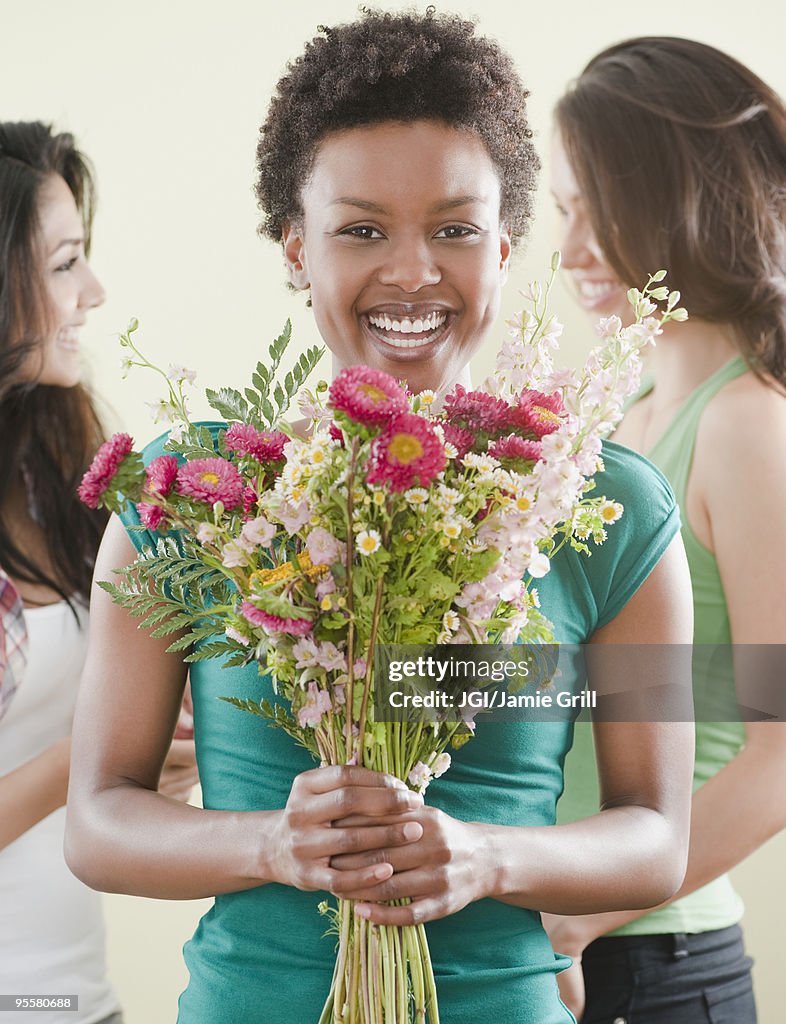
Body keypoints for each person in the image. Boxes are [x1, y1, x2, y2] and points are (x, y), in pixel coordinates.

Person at [65, 13, 695, 1024]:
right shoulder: (191, 493)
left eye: (454, 228)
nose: (412, 274)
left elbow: (657, 835)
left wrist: (487, 858)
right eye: (362, 230)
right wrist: (272, 843)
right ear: (295, 246)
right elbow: (97, 822)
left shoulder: (610, 503)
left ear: (505, 243)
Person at [547, 36, 786, 1024]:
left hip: (650, 961)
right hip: (559, 940)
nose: (569, 251)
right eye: (562, 210)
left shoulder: (748, 428)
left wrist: (584, 916)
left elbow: (782, 751)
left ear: (681, 194)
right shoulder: (623, 413)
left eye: (595, 205)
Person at [0, 122, 199, 1024]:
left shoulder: (49, 471)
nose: (94, 291)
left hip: (73, 998)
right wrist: (97, 759)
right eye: (64, 263)